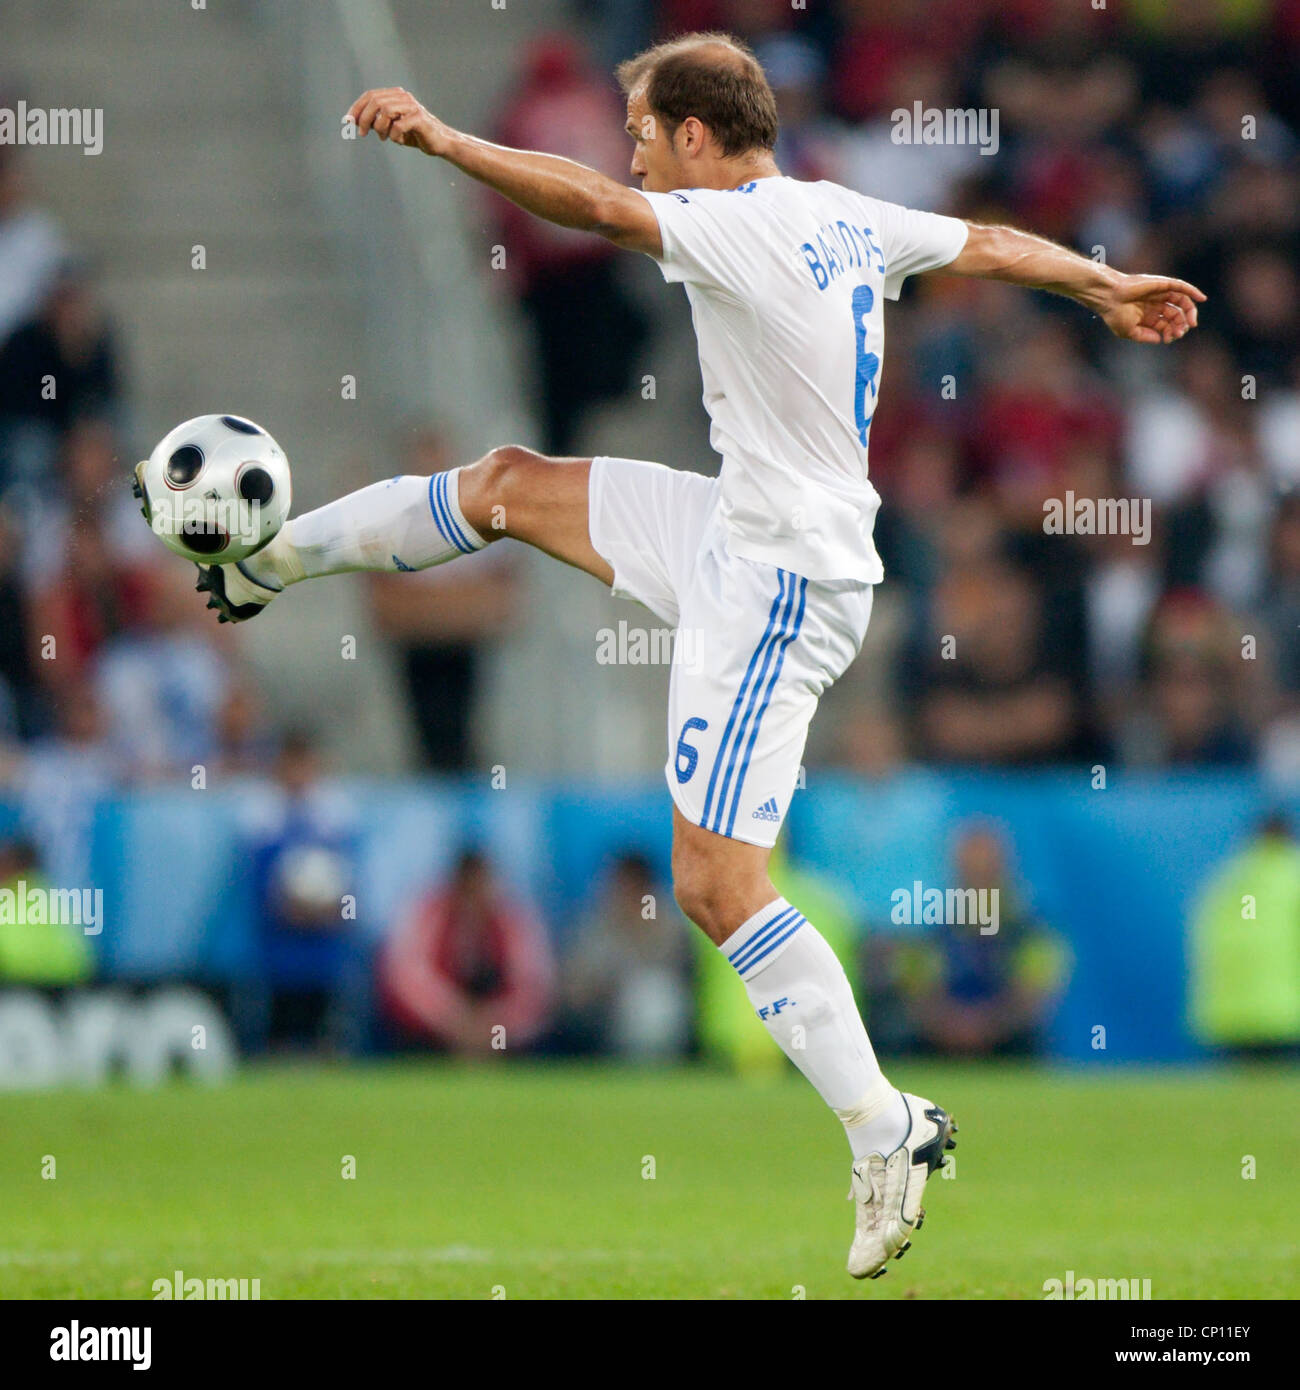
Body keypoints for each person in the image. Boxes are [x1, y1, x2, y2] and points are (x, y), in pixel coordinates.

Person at [187, 31, 1205, 1279]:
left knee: (718, 886)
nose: (632, 157)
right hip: (735, 528)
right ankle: (266, 564)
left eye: (641, 134)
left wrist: (446, 142)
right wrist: (1101, 285)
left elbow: (596, 209)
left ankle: (883, 1125)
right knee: (507, 485)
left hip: (780, 583)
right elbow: (986, 245)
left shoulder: (736, 224)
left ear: (695, 137)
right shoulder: (838, 213)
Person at [377, 848, 553, 1057]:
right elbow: (406, 977)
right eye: (468, 888)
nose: (475, 897)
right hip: (433, 1038)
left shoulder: (513, 919)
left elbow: (533, 985)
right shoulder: (428, 914)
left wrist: (493, 1023)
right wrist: (454, 1018)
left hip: (501, 1037)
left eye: (480, 886)